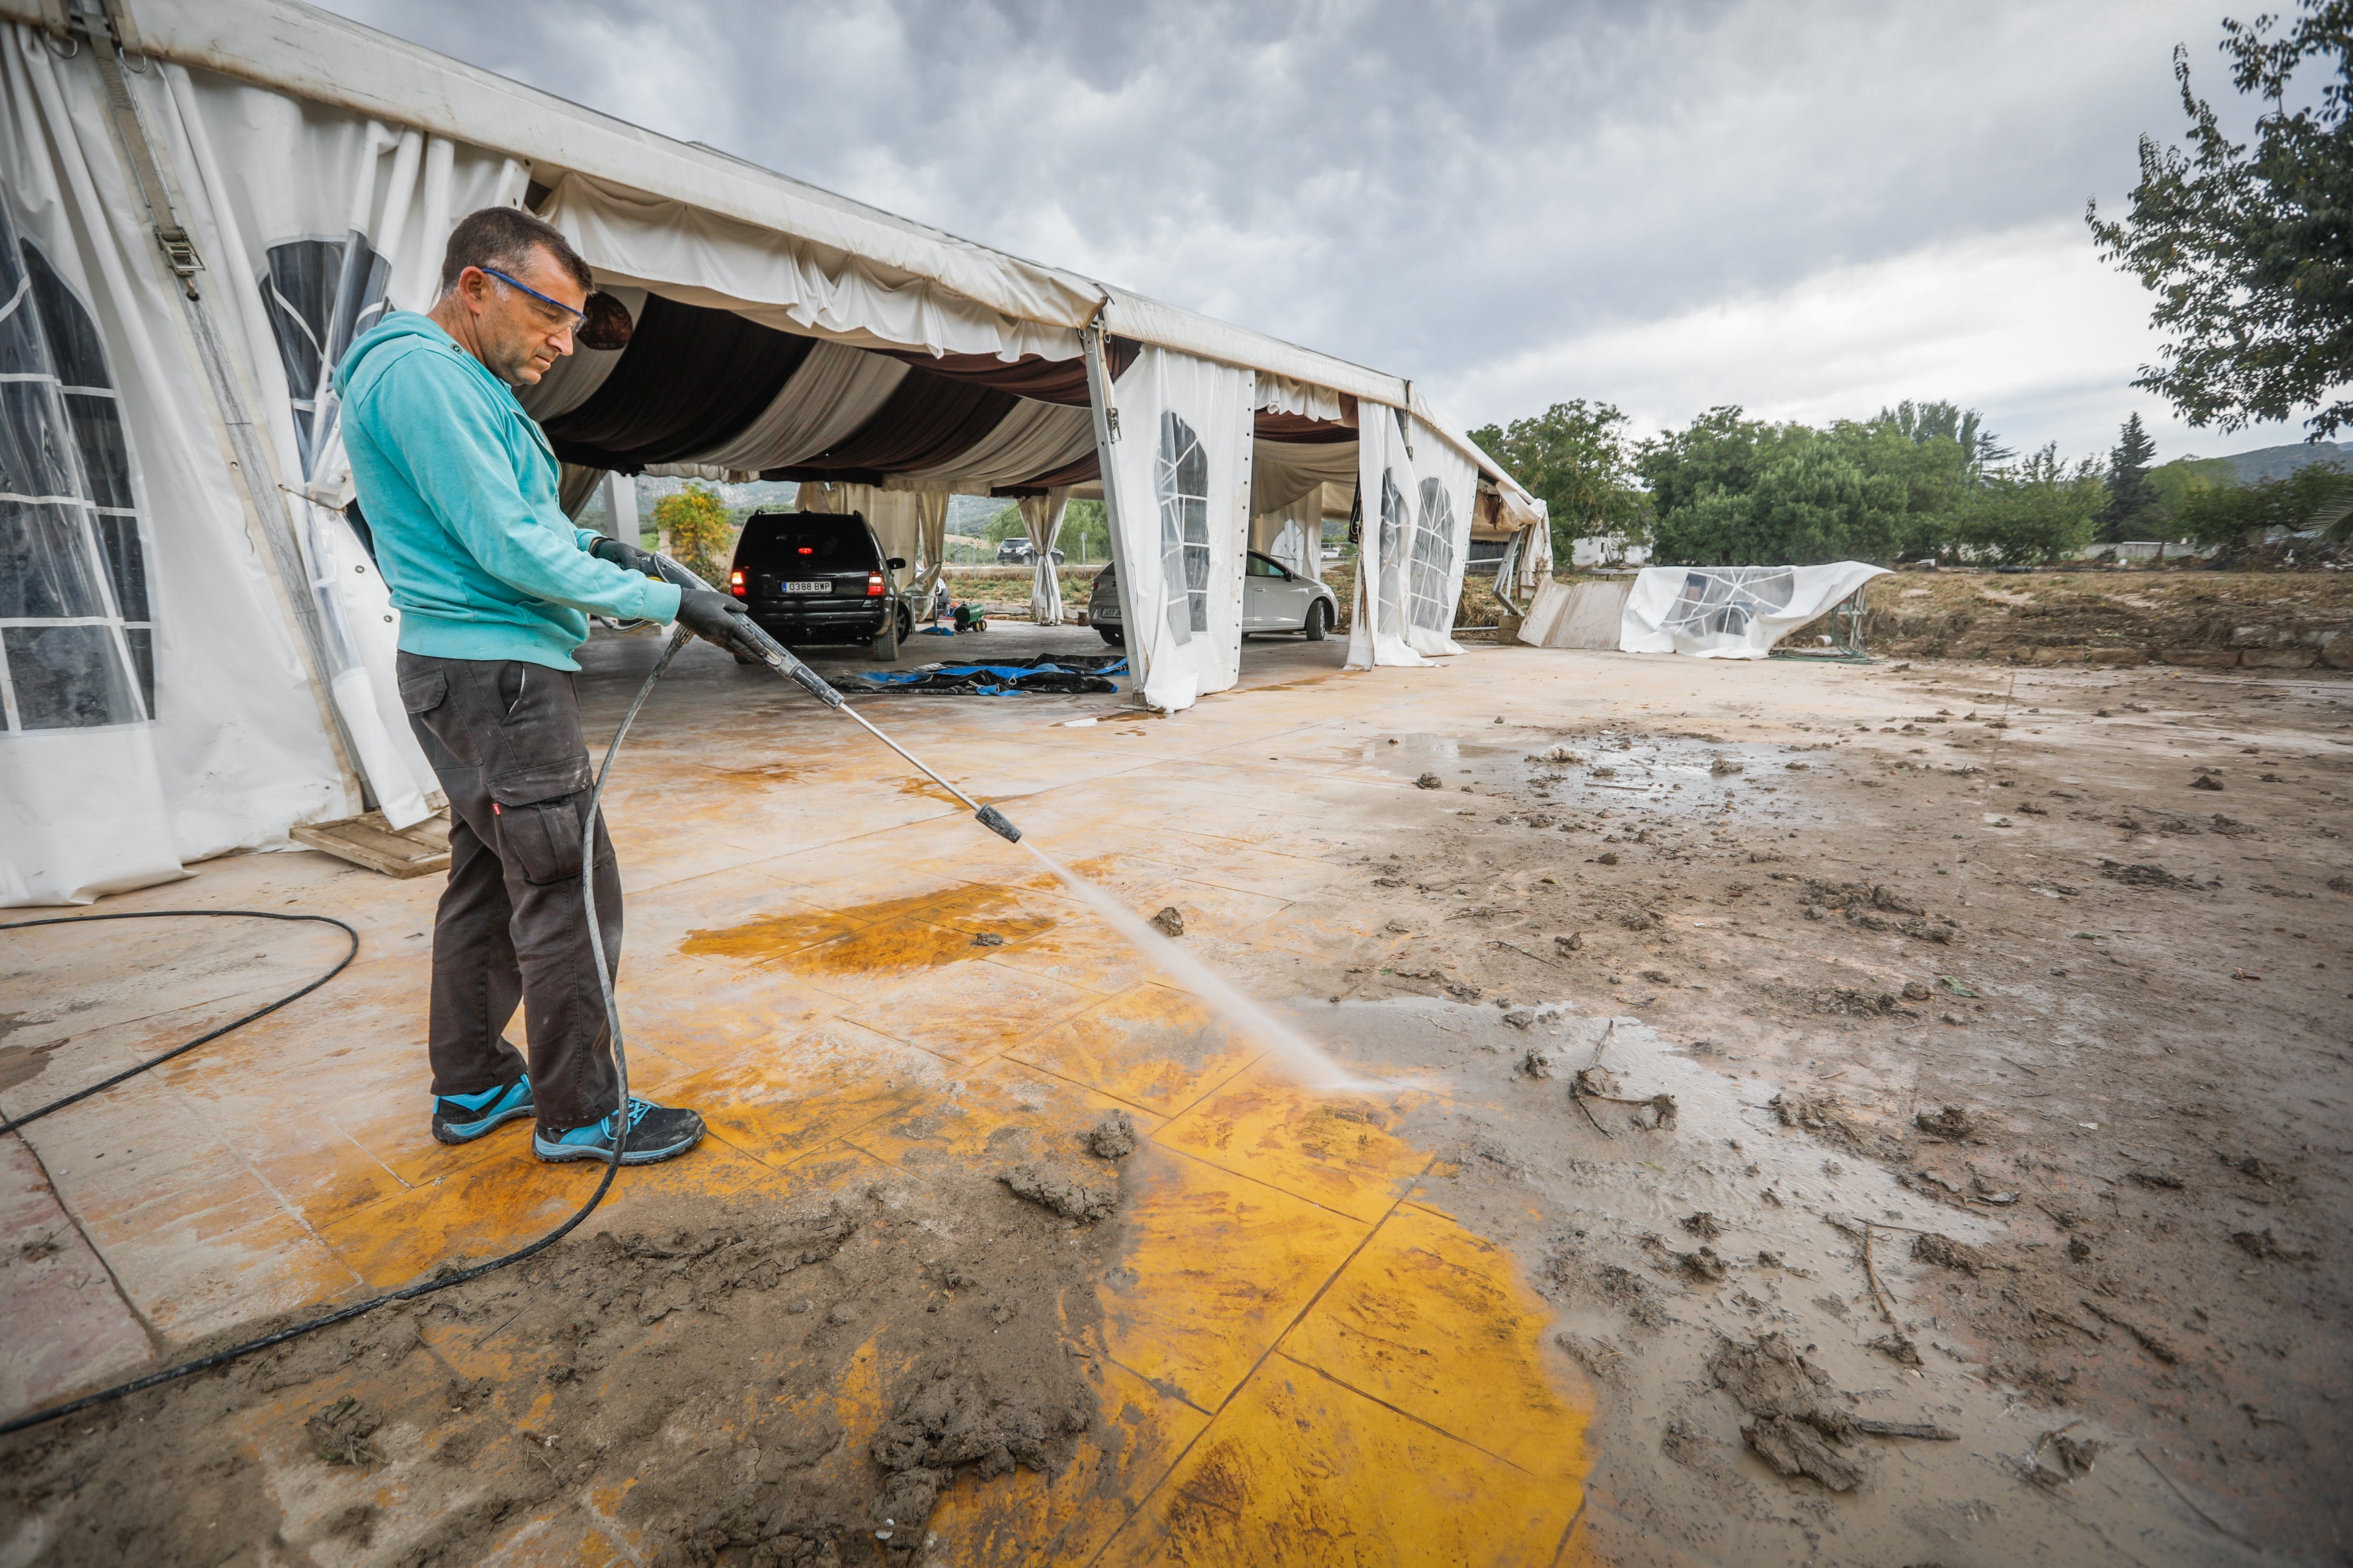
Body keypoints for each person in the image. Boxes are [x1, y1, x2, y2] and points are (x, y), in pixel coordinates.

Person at [334, 206, 762, 1165]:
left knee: (494, 879)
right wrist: (668, 601)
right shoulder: (421, 375)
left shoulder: (455, 381)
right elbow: (509, 546)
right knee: (568, 888)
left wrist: (604, 545)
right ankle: (581, 1111)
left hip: (473, 674)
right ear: (476, 287)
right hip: (498, 680)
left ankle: (475, 1083)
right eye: (553, 316)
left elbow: (524, 519)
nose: (566, 344)